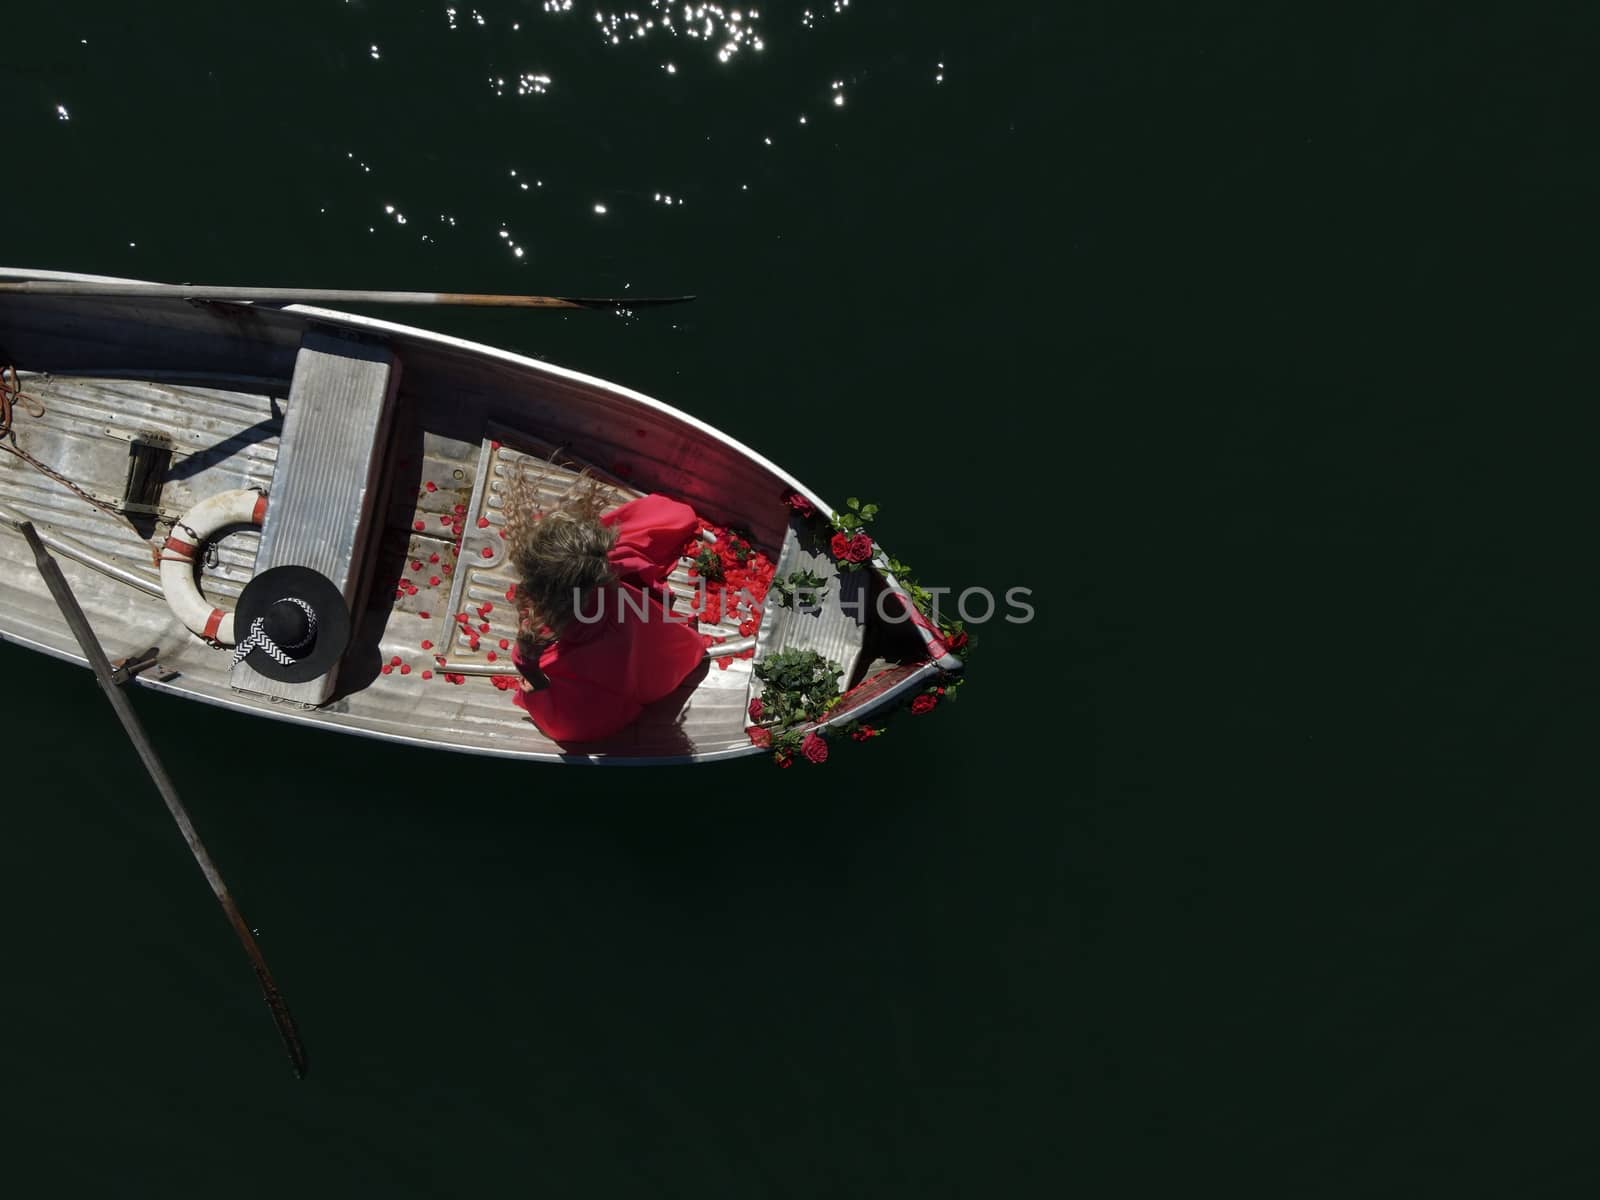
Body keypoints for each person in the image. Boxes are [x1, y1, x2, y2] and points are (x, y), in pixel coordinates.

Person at [506, 475, 705, 742]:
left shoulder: (560, 642)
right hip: (655, 641)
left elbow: (566, 727)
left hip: (619, 661)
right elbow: (677, 516)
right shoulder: (603, 572)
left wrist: (528, 668)